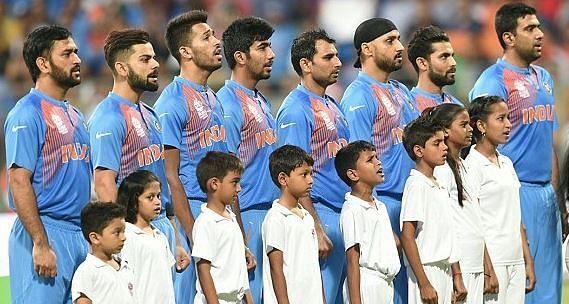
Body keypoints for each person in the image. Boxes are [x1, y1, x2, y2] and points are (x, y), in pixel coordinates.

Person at [468, 3, 562, 303]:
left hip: (546, 194)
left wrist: (557, 198)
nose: (540, 34)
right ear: (508, 37)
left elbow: (548, 141)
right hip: (513, 194)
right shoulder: (492, 80)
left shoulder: (544, 78)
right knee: (519, 289)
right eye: (530, 28)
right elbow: (479, 144)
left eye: (539, 27)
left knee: (549, 290)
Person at [5, 25, 91, 303]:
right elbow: (19, 180)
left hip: (78, 234)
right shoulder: (26, 114)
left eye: (76, 52)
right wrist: (40, 243)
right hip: (44, 231)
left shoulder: (76, 115)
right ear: (43, 63)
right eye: (67, 53)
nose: (77, 59)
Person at [340, 17, 419, 304]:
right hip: (382, 203)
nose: (400, 46)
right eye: (390, 40)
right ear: (367, 49)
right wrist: (381, 219)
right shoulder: (358, 96)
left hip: (410, 201)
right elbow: (359, 163)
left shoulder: (403, 92)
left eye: (399, 39)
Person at [89, 29, 185, 263]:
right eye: (144, 59)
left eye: (153, 57)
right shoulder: (108, 117)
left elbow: (162, 185)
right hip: (133, 229)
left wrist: (176, 239)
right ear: (122, 68)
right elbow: (104, 183)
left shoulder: (150, 115)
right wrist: (119, 237)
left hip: (161, 227)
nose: (155, 64)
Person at [154, 10, 229, 303]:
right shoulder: (171, 102)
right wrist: (191, 232)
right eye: (207, 37)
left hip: (219, 213)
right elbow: (170, 175)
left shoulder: (213, 97)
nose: (216, 41)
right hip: (193, 215)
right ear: (185, 51)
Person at [275, 29, 349, 303]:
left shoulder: (332, 104)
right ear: (305, 64)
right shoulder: (296, 109)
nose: (338, 63)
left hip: (341, 212)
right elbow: (294, 175)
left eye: (337, 56)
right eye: (328, 57)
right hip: (320, 213)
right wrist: (315, 227)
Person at [218, 16, 279, 301]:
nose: (272, 54)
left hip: (270, 215)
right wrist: (240, 236)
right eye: (263, 47)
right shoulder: (228, 103)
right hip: (249, 216)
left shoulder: (258, 99)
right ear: (240, 56)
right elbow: (227, 174)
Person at [464, 96, 535, 304]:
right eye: (501, 118)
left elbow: (516, 217)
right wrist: (487, 269)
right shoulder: (472, 166)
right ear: (481, 125)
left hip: (515, 260)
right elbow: (474, 223)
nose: (508, 124)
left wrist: (527, 261)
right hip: (494, 260)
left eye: (508, 118)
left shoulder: (506, 163)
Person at [427, 104, 484, 304]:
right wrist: (456, 273)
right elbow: (445, 223)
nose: (470, 129)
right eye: (464, 125)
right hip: (461, 262)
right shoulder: (442, 170)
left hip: (474, 260)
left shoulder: (463, 165)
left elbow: (474, 218)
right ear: (445, 131)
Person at [335, 140, 400, 303]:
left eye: (377, 157)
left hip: (385, 285)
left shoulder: (380, 206)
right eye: (370, 160)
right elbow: (352, 260)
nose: (378, 162)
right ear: (353, 174)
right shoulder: (352, 209)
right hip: (366, 287)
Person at [400, 116, 453, 304]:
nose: (445, 147)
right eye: (437, 143)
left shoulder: (438, 184)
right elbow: (407, 236)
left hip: (444, 268)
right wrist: (423, 283)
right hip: (427, 269)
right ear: (419, 150)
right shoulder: (416, 184)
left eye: (444, 142)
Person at [262, 145, 324, 303]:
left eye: (311, 174)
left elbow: (314, 269)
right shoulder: (276, 218)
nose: (310, 180)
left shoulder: (307, 217)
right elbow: (276, 270)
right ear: (283, 179)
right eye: (304, 174)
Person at [118, 170, 187, 304]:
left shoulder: (160, 236)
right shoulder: (128, 236)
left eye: (159, 196)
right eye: (150, 197)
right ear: (134, 200)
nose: (157, 202)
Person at [192, 151, 252, 304]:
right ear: (214, 184)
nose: (239, 189)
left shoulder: (231, 218)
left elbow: (239, 270)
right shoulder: (206, 222)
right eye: (234, 182)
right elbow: (203, 270)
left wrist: (249, 299)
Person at [71, 202, 134, 304]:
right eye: (117, 233)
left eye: (124, 231)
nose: (123, 237)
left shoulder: (125, 267)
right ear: (95, 238)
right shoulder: (87, 271)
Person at [407, 26, 462, 113]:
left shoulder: (457, 106)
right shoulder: (408, 107)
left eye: (452, 56)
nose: (453, 62)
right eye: (444, 57)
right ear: (422, 63)